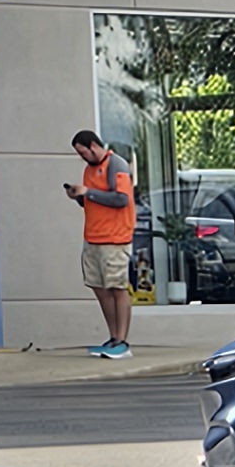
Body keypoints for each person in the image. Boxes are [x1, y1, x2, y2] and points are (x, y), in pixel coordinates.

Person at [65, 131, 137, 358]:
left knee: (117, 287)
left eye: (83, 152)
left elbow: (121, 199)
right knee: (100, 287)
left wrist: (88, 192)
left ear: (94, 145)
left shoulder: (117, 164)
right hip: (93, 238)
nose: (82, 157)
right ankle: (113, 336)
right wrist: (79, 196)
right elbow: (94, 201)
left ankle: (122, 341)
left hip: (115, 238)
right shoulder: (88, 170)